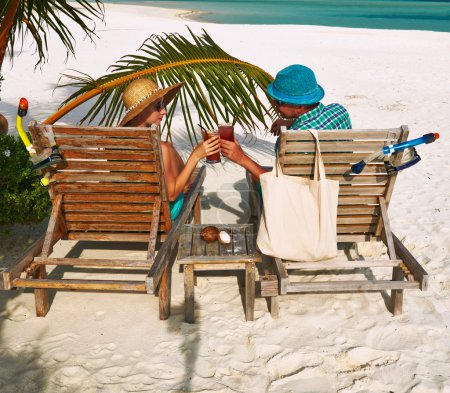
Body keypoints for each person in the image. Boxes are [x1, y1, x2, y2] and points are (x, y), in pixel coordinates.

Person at [220, 64, 352, 181]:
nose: (275, 106)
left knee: (253, 178)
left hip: (309, 201)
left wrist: (241, 158)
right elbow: (316, 123)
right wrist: (291, 122)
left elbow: (280, 186)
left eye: (279, 102)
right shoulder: (340, 111)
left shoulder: (292, 140)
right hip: (342, 191)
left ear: (300, 107)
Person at [120, 78, 220, 220]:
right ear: (141, 111)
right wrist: (196, 156)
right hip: (157, 216)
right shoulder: (162, 148)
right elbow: (172, 195)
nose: (164, 111)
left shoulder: (116, 143)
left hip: (125, 215)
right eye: (158, 105)